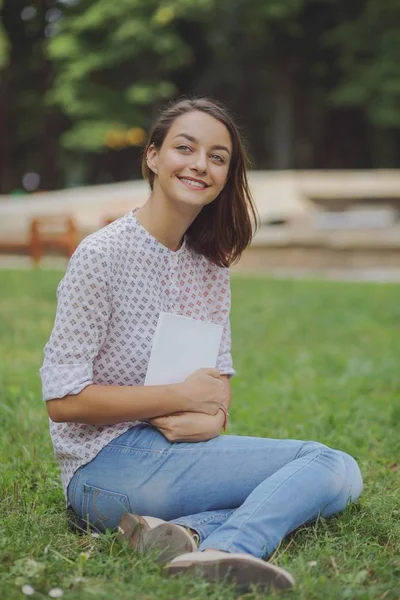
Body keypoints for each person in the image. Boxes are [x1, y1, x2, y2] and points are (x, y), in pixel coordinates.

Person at [40, 97, 363, 592]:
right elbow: (62, 401)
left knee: (329, 474)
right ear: (152, 156)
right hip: (100, 470)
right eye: (185, 148)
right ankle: (230, 548)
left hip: (176, 452)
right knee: (324, 465)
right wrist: (178, 399)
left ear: (227, 175)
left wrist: (213, 416)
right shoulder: (101, 256)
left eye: (217, 157)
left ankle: (185, 536)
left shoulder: (211, 266)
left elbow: (217, 387)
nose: (200, 165)